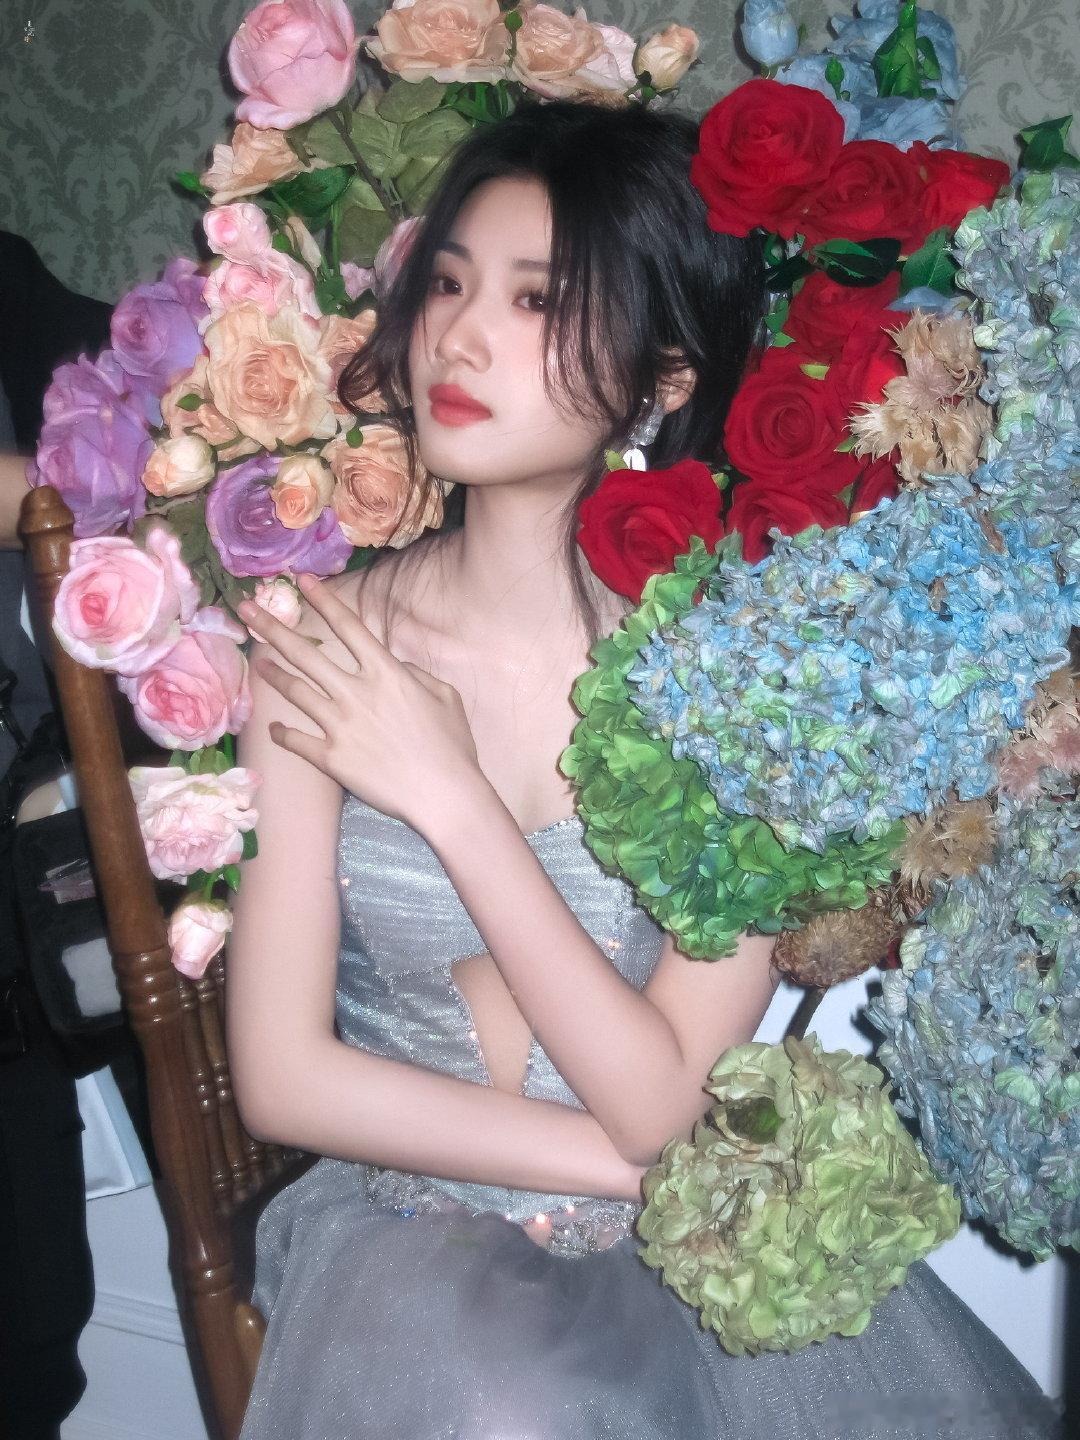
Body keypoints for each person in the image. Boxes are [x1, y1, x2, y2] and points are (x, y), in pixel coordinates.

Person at [227, 101, 1061, 1439]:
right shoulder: (317, 651)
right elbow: (281, 1077)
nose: (458, 337)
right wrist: (644, 1175)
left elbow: (661, 1095)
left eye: (536, 300)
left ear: (663, 377)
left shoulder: (748, 683)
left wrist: (445, 793)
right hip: (410, 1248)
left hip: (685, 1280)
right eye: (447, 284)